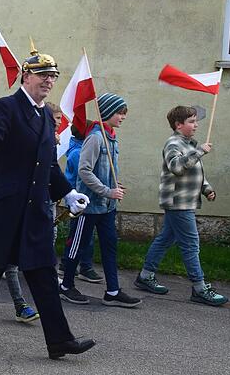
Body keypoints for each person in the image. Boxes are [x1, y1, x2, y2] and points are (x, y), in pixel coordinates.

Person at [0, 45, 93, 359]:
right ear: (26, 75)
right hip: (4, 210)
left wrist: (68, 193)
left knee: (44, 272)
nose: (49, 81)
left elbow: (47, 165)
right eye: (43, 75)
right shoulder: (7, 107)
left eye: (53, 76)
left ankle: (60, 340)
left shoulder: (47, 117)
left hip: (33, 212)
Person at [135, 106, 228, 306]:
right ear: (179, 125)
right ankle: (200, 288)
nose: (196, 125)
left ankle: (145, 276)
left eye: (196, 121)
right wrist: (199, 151)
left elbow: (196, 173)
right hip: (178, 202)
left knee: (165, 239)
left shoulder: (189, 144)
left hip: (186, 201)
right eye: (192, 121)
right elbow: (177, 167)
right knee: (191, 244)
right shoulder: (173, 143)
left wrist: (207, 188)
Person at [59, 93, 141, 308]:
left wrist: (115, 185)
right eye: (119, 113)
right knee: (77, 246)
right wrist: (107, 190)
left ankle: (112, 291)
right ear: (106, 112)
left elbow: (104, 170)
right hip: (89, 205)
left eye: (124, 113)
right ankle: (66, 285)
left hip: (107, 207)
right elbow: (84, 171)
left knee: (110, 246)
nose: (123, 117)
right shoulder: (95, 137)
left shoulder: (111, 137)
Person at [60, 124, 100, 282]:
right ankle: (82, 266)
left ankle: (79, 264)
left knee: (82, 233)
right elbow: (84, 174)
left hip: (82, 196)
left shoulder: (80, 149)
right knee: (80, 234)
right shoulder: (78, 153)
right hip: (77, 197)